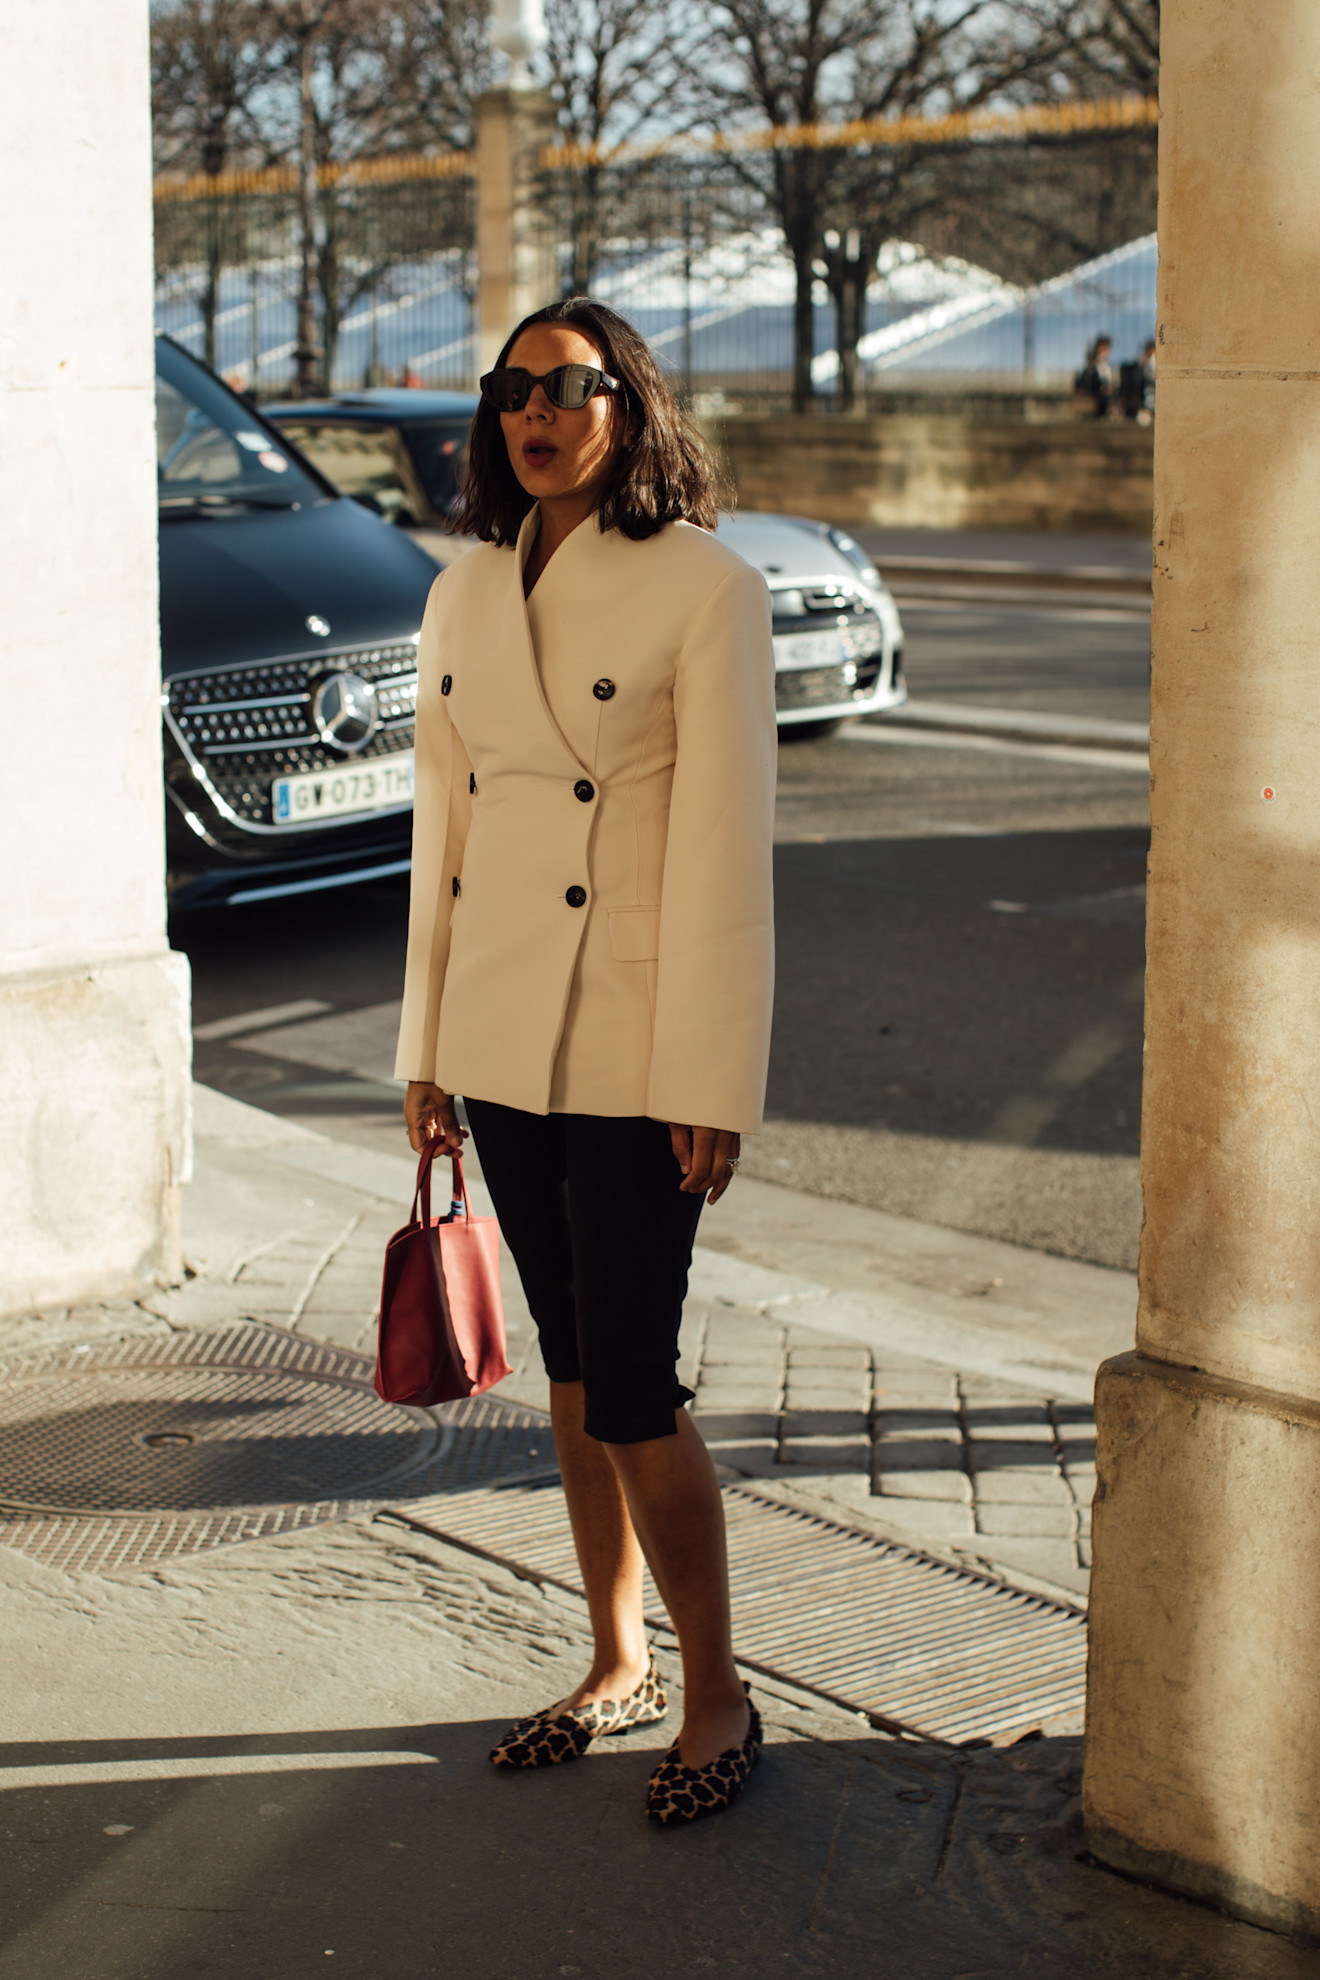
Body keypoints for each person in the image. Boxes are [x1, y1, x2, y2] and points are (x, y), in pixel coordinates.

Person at [394, 296, 776, 1825]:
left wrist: (709, 1077)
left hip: (633, 1042)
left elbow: (726, 855)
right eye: (510, 391)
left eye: (566, 385)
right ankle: (612, 1665)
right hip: (500, 1027)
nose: (533, 413)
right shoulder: (465, 589)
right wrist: (426, 1049)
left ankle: (721, 1694)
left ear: (631, 404)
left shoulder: (707, 588)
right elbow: (450, 833)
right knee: (563, 1374)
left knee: (630, 1382)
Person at [1075, 334, 1114, 417]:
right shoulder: (1092, 367)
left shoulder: (1106, 366)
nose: (1106, 351)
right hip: (1095, 403)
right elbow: (1085, 384)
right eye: (1104, 348)